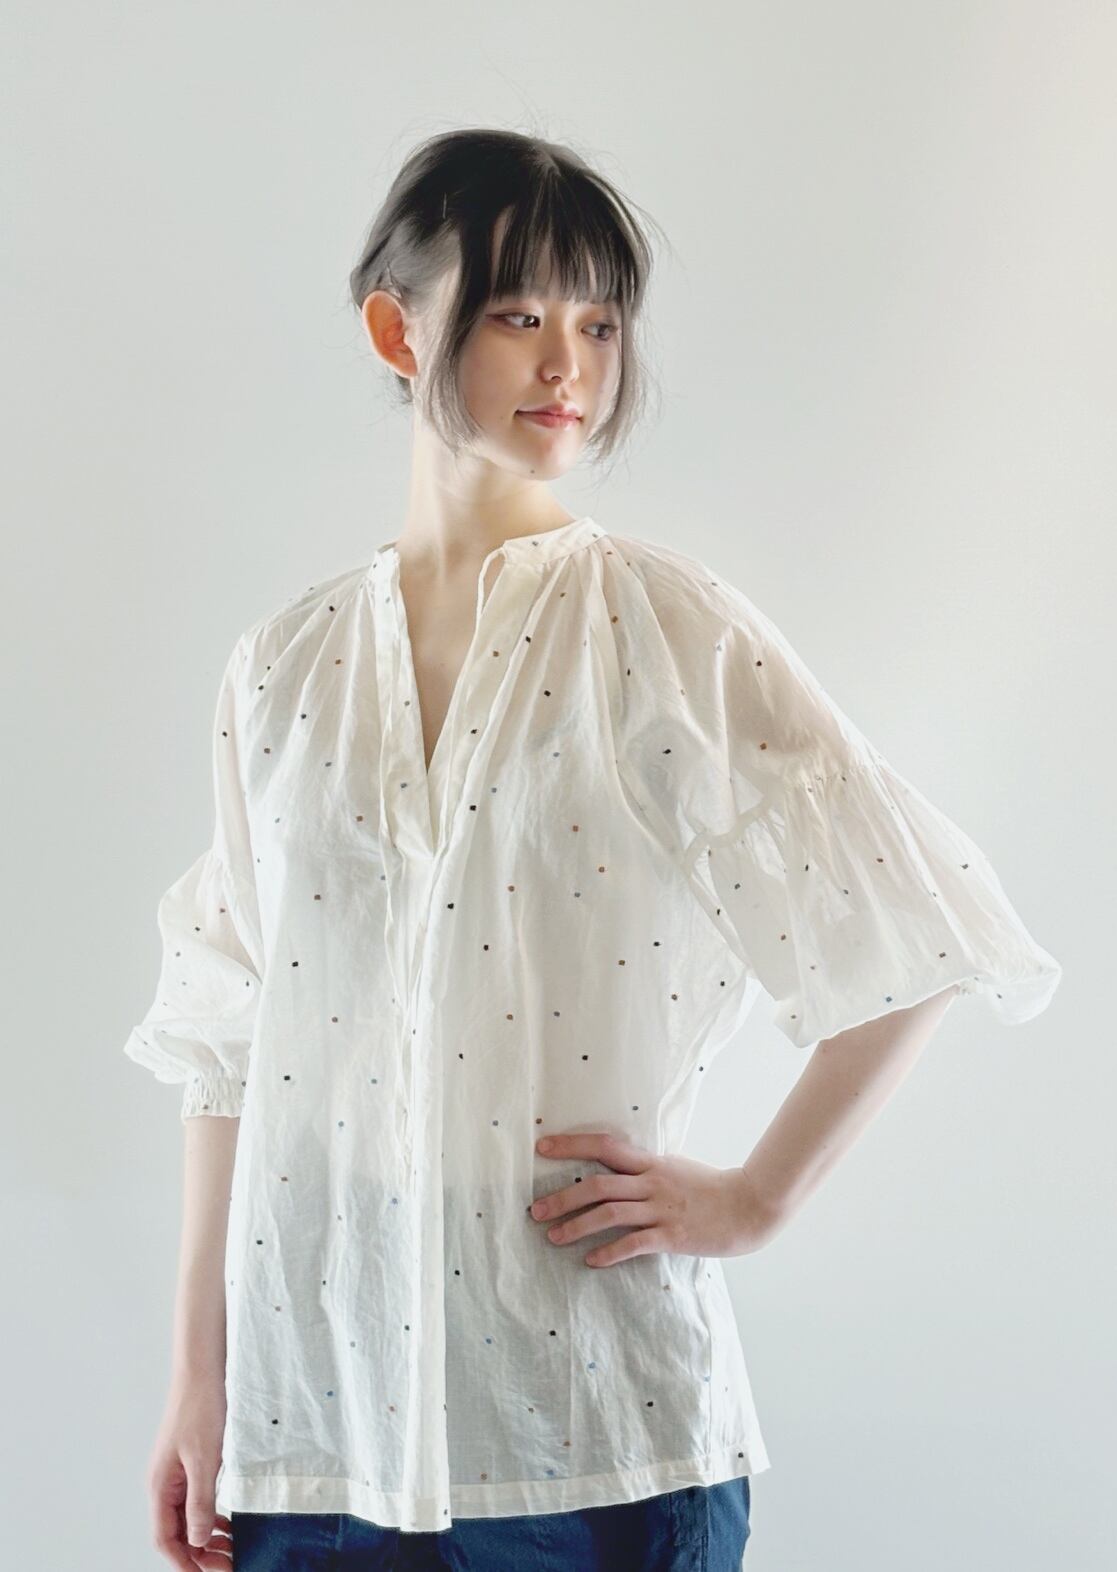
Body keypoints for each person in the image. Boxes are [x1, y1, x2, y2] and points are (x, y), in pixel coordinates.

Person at [123, 127, 1063, 1572]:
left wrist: (752, 1199)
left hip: (597, 1444)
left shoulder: (658, 629)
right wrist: (203, 1380)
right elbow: (230, 1041)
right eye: (519, 315)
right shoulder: (281, 671)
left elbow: (917, 924)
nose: (569, 364)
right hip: (317, 1444)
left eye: (601, 324)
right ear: (398, 331)